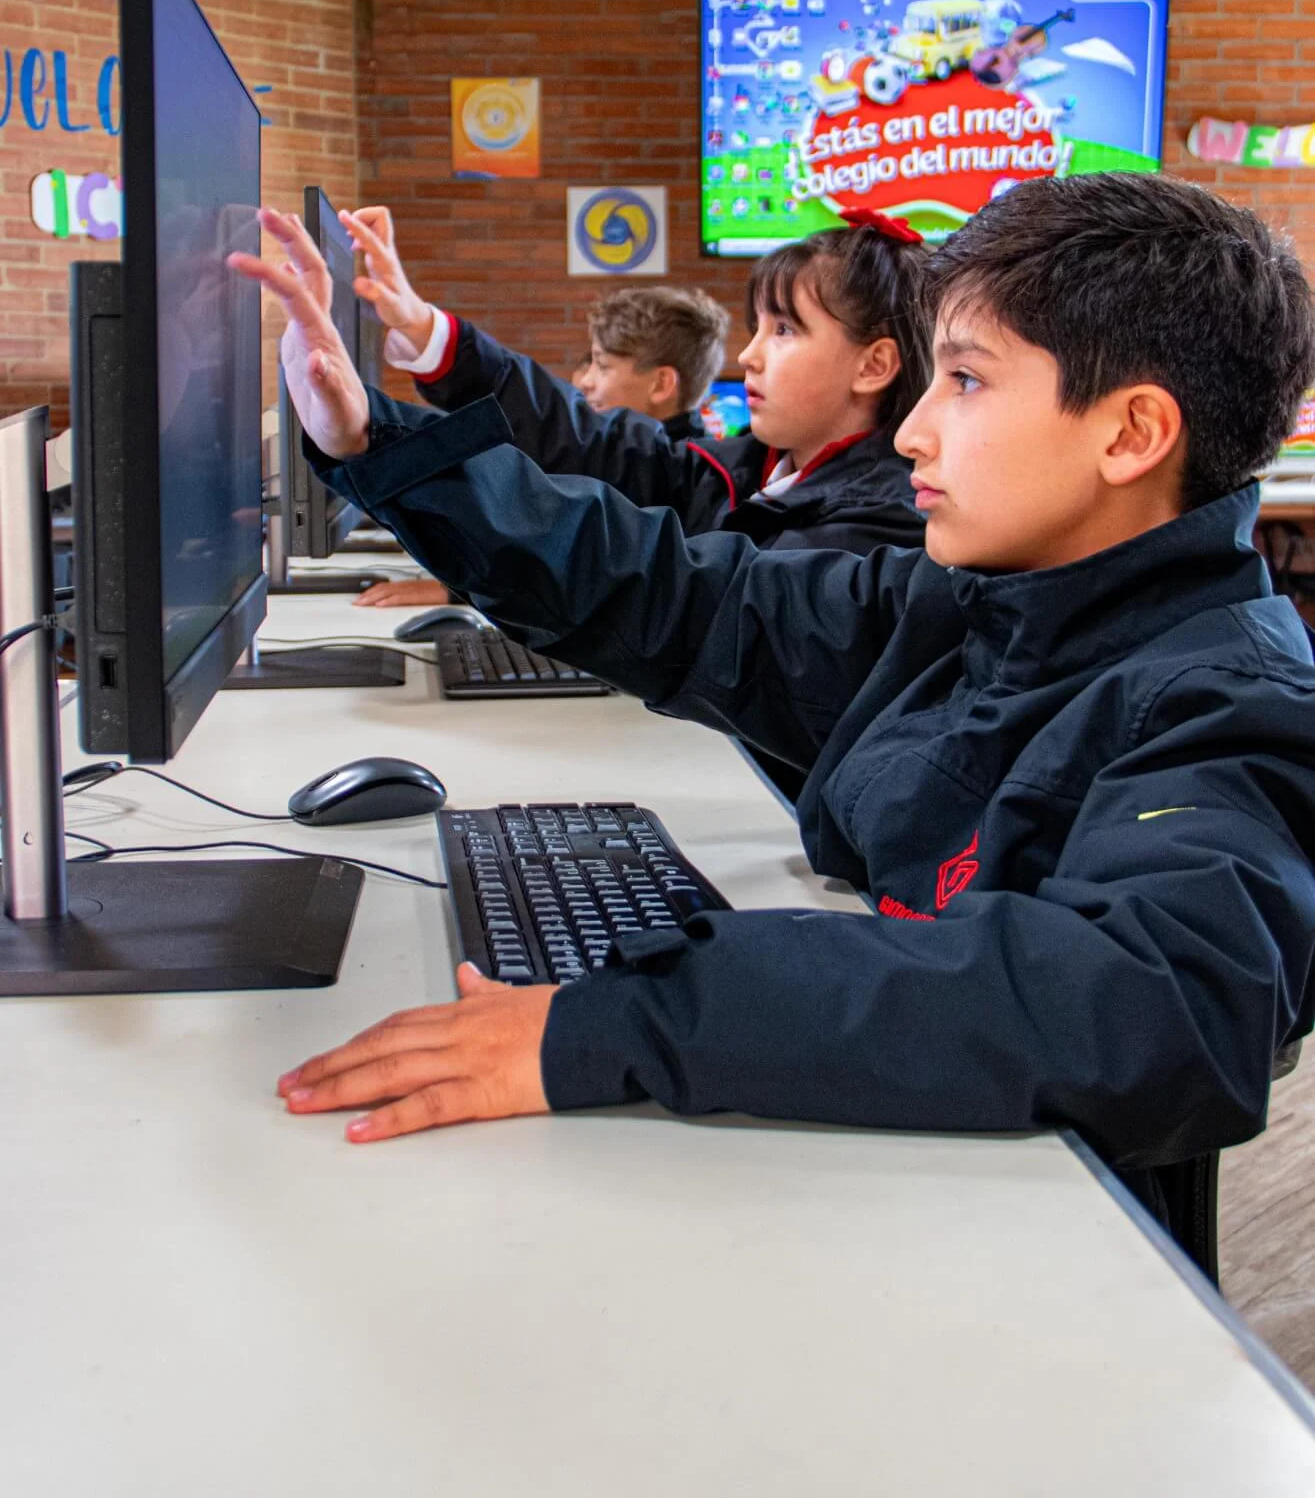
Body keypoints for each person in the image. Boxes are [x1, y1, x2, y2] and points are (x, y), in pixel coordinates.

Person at [232, 173, 1315, 1223]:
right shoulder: (977, 603)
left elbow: (1150, 1005)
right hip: (904, 1180)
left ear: (1130, 434)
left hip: (1041, 1262)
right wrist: (374, 443)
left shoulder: (1227, 704)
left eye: (967, 382)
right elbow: (687, 597)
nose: (911, 432)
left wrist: (640, 1015)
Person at [348, 205, 928, 612]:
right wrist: (431, 337)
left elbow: (689, 598)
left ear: (872, 366)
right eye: (757, 328)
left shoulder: (878, 528)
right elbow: (584, 442)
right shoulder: (745, 467)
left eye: (784, 331)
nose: (748, 355)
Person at [351, 208, 732, 608]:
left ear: (661, 383)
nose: (584, 381)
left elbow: (593, 572)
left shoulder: (681, 481)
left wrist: (459, 591)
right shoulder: (666, 465)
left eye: (602, 367)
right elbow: (567, 435)